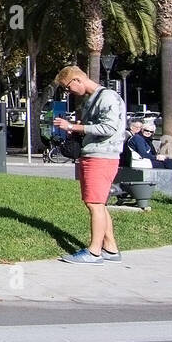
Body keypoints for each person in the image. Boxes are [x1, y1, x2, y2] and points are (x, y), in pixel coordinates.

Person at [53, 65, 127, 264]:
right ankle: (110, 248)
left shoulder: (107, 97)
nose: (69, 92)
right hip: (92, 154)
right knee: (97, 203)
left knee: (95, 204)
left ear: (77, 80)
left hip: (102, 156)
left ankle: (94, 252)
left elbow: (109, 127)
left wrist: (73, 126)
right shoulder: (91, 100)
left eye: (68, 87)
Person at [124, 118, 172, 185]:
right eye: (147, 130)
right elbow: (143, 154)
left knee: (168, 160)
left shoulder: (145, 139)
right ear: (142, 130)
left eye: (151, 132)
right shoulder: (138, 138)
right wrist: (156, 157)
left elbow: (151, 152)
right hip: (141, 161)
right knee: (167, 162)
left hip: (144, 160)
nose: (148, 132)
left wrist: (157, 156)